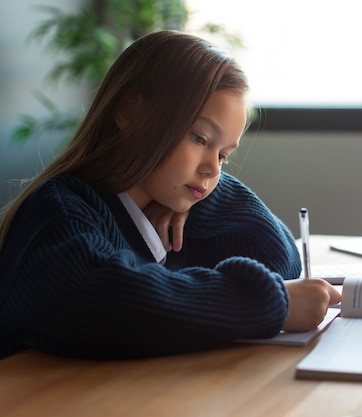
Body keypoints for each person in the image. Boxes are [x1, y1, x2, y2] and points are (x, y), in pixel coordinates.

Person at [0, 30, 341, 359]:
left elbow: (279, 259)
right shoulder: (61, 211)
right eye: (200, 139)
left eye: (223, 156)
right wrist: (269, 304)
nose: (213, 170)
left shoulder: (171, 216)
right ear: (130, 112)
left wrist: (207, 202)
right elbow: (105, 303)